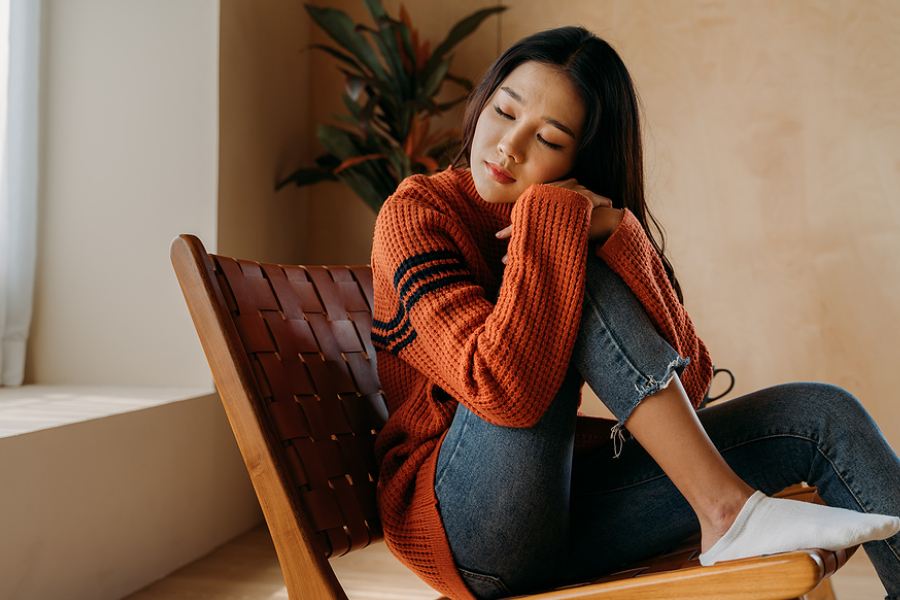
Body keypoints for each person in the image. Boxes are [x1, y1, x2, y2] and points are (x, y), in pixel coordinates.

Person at [369, 25, 900, 600]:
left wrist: (624, 235)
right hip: (465, 527)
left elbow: (691, 382)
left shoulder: (582, 224)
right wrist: (550, 218)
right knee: (571, 263)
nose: (508, 146)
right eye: (502, 111)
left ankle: (727, 510)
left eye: (547, 139)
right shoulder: (417, 214)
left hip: (567, 510)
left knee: (825, 416)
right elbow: (500, 388)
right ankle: (726, 512)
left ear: (582, 160)